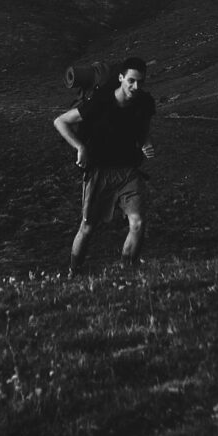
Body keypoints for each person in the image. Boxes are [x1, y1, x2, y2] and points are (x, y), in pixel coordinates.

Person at [54, 55, 159, 275]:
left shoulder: (145, 102)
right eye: (131, 80)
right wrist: (80, 147)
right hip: (99, 171)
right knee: (88, 227)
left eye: (140, 81)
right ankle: (74, 273)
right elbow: (61, 121)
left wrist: (146, 143)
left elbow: (143, 127)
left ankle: (126, 273)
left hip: (129, 171)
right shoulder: (101, 102)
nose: (135, 86)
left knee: (138, 223)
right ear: (121, 78)